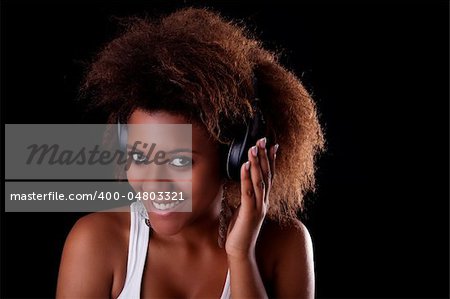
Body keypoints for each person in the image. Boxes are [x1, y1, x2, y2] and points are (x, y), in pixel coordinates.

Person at [56, 7, 324, 299]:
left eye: (181, 161)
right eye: (140, 157)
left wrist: (241, 254)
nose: (155, 183)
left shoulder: (285, 244)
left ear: (233, 157)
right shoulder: (96, 242)